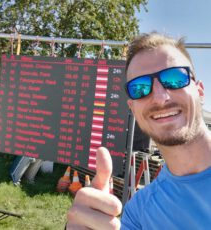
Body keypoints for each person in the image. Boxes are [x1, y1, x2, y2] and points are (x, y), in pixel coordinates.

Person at [67, 32, 211, 229]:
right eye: (140, 88)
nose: (160, 98)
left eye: (175, 78)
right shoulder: (139, 214)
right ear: (133, 109)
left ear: (200, 91)